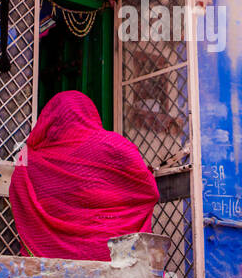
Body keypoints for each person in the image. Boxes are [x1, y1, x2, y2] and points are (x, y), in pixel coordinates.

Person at [9, 91, 159, 261]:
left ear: (50, 118)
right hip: (113, 254)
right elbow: (148, 190)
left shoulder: (30, 159)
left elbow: (18, 195)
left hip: (51, 260)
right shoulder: (114, 146)